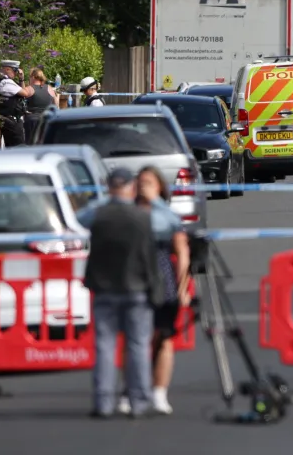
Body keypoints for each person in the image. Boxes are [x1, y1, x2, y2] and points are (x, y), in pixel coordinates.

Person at [78, 167, 161, 418]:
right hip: (136, 288)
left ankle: (103, 401)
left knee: (104, 346)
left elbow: (78, 219)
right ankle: (139, 401)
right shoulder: (143, 217)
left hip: (104, 289)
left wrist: (105, 200)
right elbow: (151, 254)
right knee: (137, 345)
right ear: (131, 187)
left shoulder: (99, 215)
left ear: (109, 187)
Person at [112, 167, 190, 416]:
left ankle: (159, 392)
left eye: (149, 182)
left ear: (160, 187)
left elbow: (182, 250)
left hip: (162, 281)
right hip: (132, 281)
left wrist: (183, 286)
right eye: (140, 182)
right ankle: (129, 391)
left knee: (164, 338)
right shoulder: (129, 212)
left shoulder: (166, 214)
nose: (143, 186)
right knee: (134, 339)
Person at [0, 60, 34, 147]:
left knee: (12, 149)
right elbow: (25, 93)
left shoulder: (8, 82)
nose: (16, 73)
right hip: (11, 121)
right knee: (19, 148)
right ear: (7, 69)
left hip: (11, 120)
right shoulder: (6, 83)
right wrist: (21, 79)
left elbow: (23, 94)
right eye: (15, 71)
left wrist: (21, 79)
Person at [23, 67, 56, 143]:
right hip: (47, 119)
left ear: (33, 77)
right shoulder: (50, 88)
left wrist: (21, 80)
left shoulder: (29, 89)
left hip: (32, 120)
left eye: (30, 77)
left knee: (31, 144)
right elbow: (56, 104)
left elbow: (21, 95)